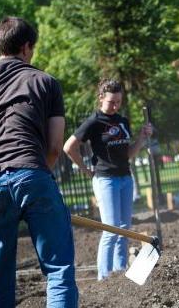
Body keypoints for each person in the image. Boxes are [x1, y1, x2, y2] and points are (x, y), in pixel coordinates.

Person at [0, 17, 96, 308]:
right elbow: (55, 147)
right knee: (58, 271)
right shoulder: (44, 81)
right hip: (32, 173)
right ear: (27, 47)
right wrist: (35, 180)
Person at [63, 79, 152, 280]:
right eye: (111, 101)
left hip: (125, 178)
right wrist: (86, 170)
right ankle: (104, 278)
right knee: (111, 229)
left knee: (125, 229)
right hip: (106, 180)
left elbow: (128, 154)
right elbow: (69, 147)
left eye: (118, 102)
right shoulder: (94, 122)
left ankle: (119, 272)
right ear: (101, 98)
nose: (115, 106)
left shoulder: (122, 121)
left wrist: (142, 137)